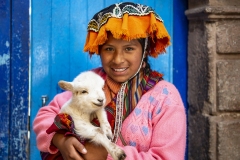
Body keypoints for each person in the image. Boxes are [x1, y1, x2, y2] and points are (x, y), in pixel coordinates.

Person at [33, 2, 186, 160]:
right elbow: (46, 115)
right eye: (109, 49)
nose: (118, 59)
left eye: (129, 49)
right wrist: (61, 139)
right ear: (99, 50)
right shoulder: (91, 81)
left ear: (145, 50)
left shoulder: (165, 97)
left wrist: (105, 155)